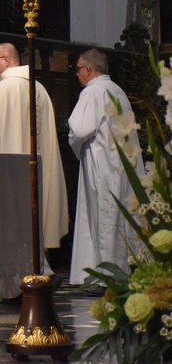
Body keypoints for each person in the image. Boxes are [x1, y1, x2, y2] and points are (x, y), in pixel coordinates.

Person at [0, 43, 69, 251]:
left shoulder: (6, 88)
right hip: (39, 167)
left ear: (7, 60)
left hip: (13, 172)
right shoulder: (39, 88)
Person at [68, 49, 141, 287]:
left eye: (78, 69)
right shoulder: (117, 91)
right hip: (120, 167)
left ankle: (105, 278)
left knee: (103, 220)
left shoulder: (93, 92)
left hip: (102, 167)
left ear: (88, 70)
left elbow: (79, 130)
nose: (77, 75)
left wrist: (75, 144)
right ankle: (113, 273)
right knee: (116, 220)